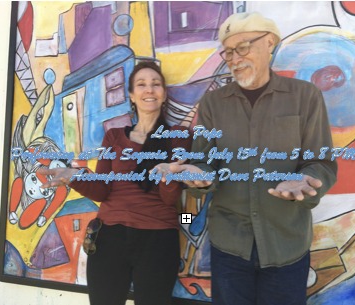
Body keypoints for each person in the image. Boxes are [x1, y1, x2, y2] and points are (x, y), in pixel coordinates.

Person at [154, 12, 337, 305]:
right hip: (230, 247)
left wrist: (305, 180)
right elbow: (205, 162)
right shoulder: (213, 103)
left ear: (270, 43)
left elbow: (322, 163)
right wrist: (196, 175)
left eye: (243, 47)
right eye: (228, 51)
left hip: (286, 242)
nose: (234, 58)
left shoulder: (305, 96)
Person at [39, 61, 191, 305]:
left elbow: (171, 200)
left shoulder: (178, 138)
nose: (149, 90)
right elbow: (101, 189)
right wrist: (74, 176)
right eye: (141, 85)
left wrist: (169, 175)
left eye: (155, 84)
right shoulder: (114, 136)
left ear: (164, 95)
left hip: (158, 240)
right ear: (131, 95)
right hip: (109, 238)